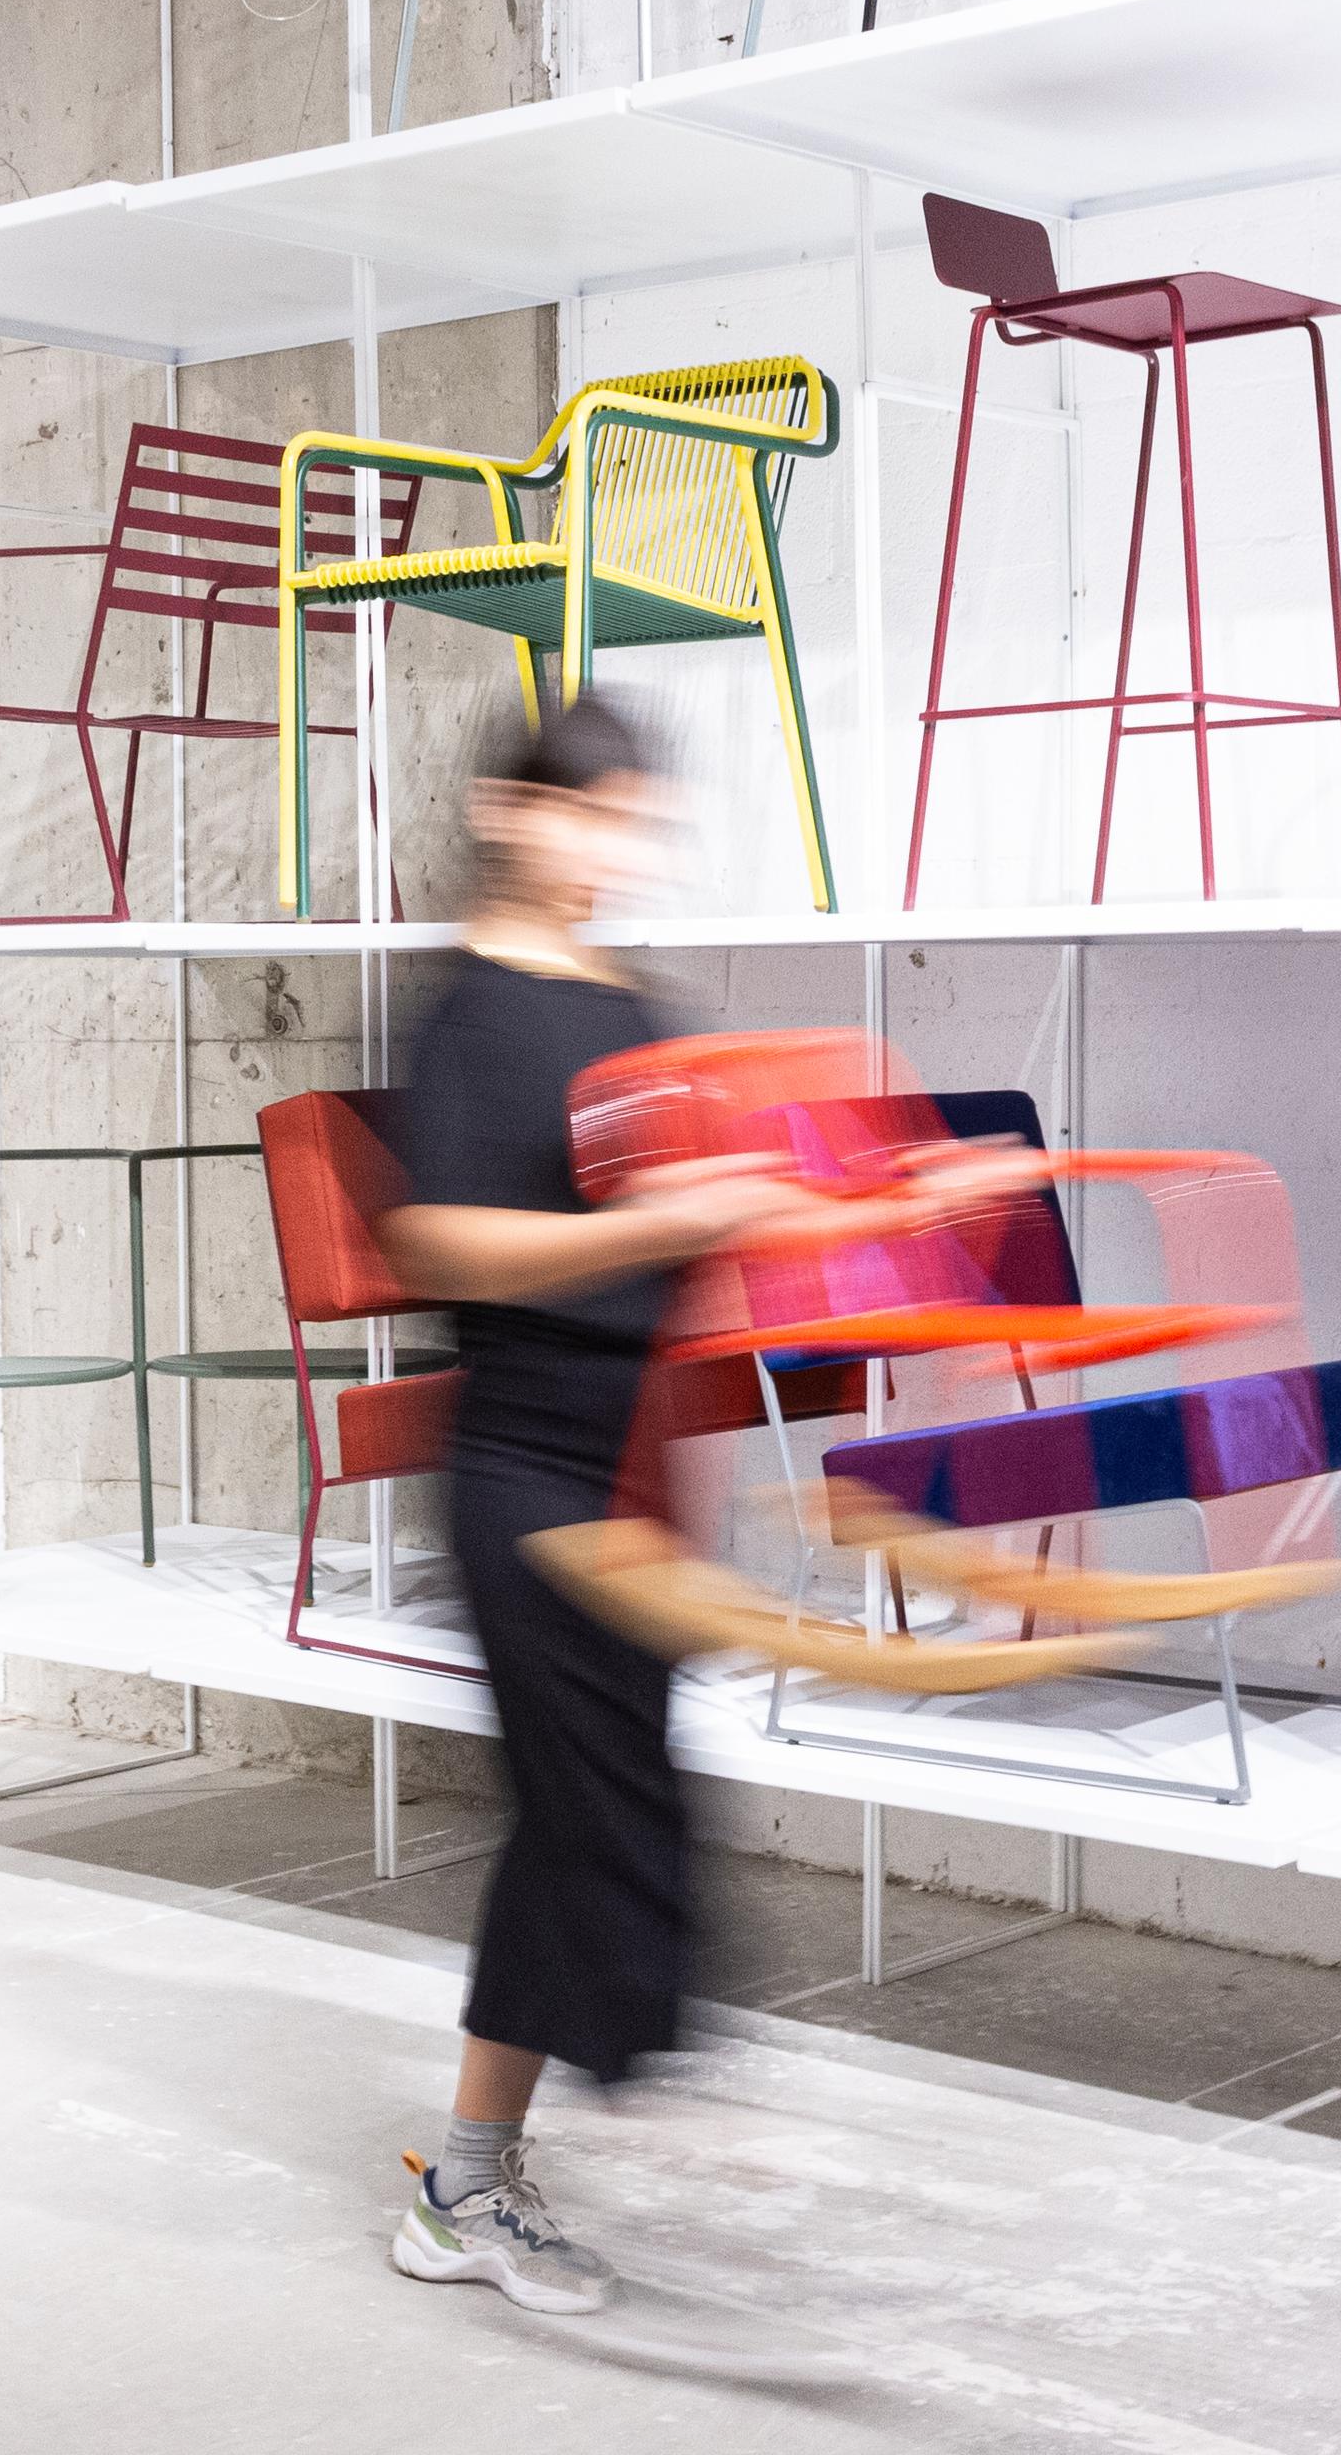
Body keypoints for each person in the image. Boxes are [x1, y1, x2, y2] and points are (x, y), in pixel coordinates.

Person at [372, 693, 824, 2315]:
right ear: (508, 808)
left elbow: (696, 1197)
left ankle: (470, 2177)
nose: (610, 850)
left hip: (636, 1468)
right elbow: (451, 1250)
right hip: (524, 1478)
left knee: (579, 1815)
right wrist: (668, 1223)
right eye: (587, 815)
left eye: (632, 821)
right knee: (590, 1817)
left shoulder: (630, 1001)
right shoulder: (470, 1015)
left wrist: (865, 1200)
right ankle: (542, 2143)